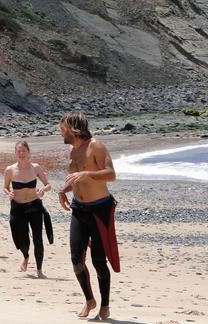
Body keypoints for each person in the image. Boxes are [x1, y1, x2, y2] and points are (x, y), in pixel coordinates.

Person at [58, 112, 120, 320]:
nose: (60, 132)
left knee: (98, 261)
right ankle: (89, 300)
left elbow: (111, 174)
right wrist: (63, 190)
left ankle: (104, 305)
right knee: (76, 258)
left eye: (62, 128)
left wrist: (87, 174)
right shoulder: (71, 150)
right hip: (79, 208)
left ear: (73, 129)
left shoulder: (96, 146)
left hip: (99, 208)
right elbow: (75, 178)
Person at [3, 141, 51, 278]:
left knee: (38, 239)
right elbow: (5, 187)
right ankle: (25, 256)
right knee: (22, 238)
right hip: (18, 208)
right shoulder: (10, 170)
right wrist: (9, 193)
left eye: (24, 151)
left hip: (34, 206)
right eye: (18, 151)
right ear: (15, 153)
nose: (21, 153)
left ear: (29, 152)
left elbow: (48, 185)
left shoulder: (36, 168)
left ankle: (39, 270)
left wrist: (43, 190)